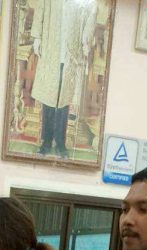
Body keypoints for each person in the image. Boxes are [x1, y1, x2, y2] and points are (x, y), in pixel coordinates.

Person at [30, 0, 97, 158]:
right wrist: (37, 38)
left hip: (70, 53)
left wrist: (85, 41)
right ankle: (46, 142)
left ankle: (60, 143)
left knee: (64, 100)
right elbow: (41, 9)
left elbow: (91, 11)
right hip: (51, 48)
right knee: (49, 97)